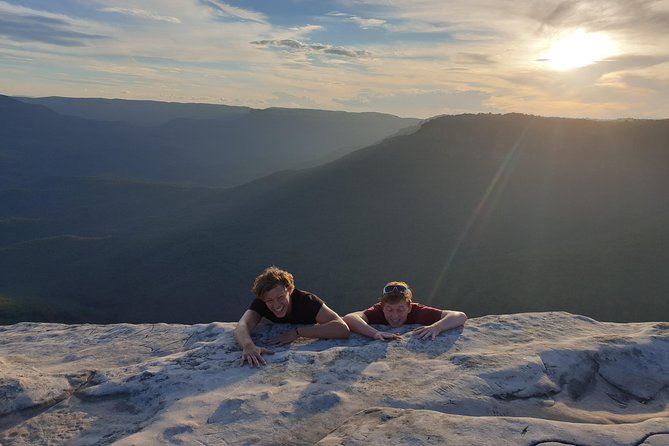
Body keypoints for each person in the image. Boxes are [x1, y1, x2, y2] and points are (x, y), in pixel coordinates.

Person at [234, 266, 350, 367]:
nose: (276, 304)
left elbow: (341, 328)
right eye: (270, 300)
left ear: (289, 290)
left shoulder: (307, 301)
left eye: (280, 297)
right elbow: (242, 325)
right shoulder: (261, 303)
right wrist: (248, 345)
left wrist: (297, 332)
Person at [343, 281, 467, 340]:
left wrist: (436, 327)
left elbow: (460, 316)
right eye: (389, 310)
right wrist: (375, 333)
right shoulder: (378, 311)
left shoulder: (418, 311)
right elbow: (349, 318)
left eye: (400, 309)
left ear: (409, 307)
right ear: (382, 307)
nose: (395, 315)